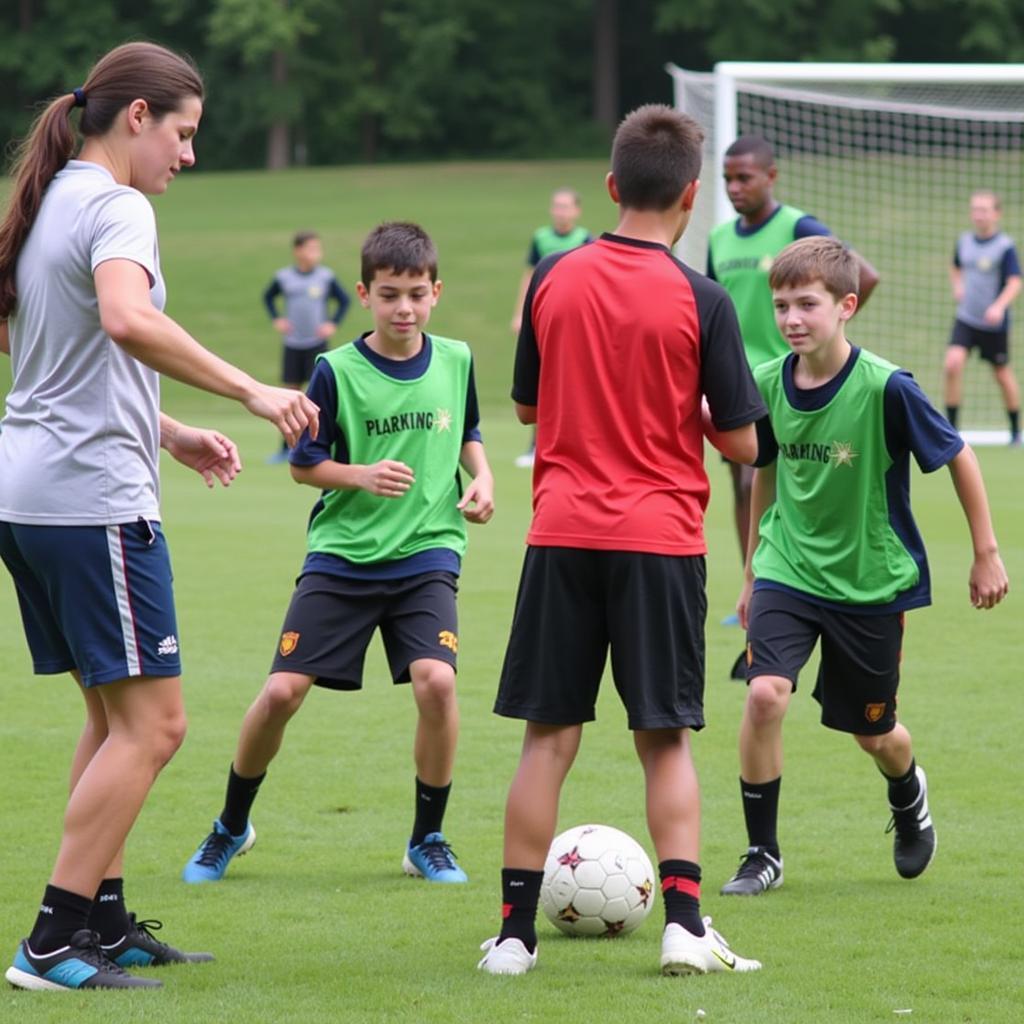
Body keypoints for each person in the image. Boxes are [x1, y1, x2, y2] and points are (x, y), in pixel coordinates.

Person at [0, 42, 319, 992]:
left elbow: (70, 359)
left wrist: (169, 427)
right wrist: (250, 391)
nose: (187, 155)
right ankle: (53, 942)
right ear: (136, 117)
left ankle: (97, 919)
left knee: (111, 719)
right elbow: (128, 320)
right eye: (182, 133)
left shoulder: (53, 197)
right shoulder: (113, 203)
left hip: (33, 493)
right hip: (91, 501)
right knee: (157, 726)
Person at [478, 105, 765, 978]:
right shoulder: (702, 297)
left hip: (561, 532)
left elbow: (527, 407)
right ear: (692, 194)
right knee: (666, 738)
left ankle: (514, 940)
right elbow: (747, 442)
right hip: (663, 540)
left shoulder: (551, 279)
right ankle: (684, 924)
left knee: (546, 739)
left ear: (609, 187)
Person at [182, 221, 494, 887]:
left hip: (427, 552)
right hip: (343, 556)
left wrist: (485, 478)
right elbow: (305, 465)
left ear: (436, 292)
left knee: (437, 682)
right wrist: (361, 475)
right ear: (362, 294)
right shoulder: (336, 371)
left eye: (415, 293)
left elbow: (467, 431)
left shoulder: (458, 359)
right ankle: (231, 826)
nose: (403, 308)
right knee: (282, 692)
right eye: (389, 295)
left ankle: (427, 839)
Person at [720, 236, 1009, 898]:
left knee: (872, 733)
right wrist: (751, 572)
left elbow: (958, 455)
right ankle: (763, 853)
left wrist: (985, 551)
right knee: (765, 695)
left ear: (846, 306)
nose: (792, 318)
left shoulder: (887, 387)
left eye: (807, 305)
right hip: (786, 569)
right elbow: (766, 470)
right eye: (782, 305)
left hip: (870, 583)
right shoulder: (767, 382)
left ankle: (908, 794)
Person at [708, 135, 880, 653]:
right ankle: (756, 586)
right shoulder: (719, 238)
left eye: (745, 178)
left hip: (792, 381)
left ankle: (784, 591)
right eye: (728, 179)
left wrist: (823, 341)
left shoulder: (798, 228)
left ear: (771, 177)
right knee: (746, 487)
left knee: (780, 483)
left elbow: (863, 275)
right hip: (743, 386)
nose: (736, 187)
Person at [510, 188, 592, 469]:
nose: (561, 211)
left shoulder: (584, 240)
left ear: (576, 211)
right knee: (540, 379)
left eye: (566, 206)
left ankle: (577, 442)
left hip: (573, 319)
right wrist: (520, 313)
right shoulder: (541, 238)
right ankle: (536, 445)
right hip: (543, 316)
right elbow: (529, 276)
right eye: (557, 206)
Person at [263, 230, 350, 462]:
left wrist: (332, 323)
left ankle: (320, 445)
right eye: (310, 249)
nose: (315, 254)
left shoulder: (325, 277)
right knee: (291, 394)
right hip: (293, 344)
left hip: (317, 344)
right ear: (297, 251)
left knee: (318, 396)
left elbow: (344, 300)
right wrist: (277, 319)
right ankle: (286, 447)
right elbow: (268, 297)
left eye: (317, 249)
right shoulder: (284, 277)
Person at [944, 190, 1022, 445]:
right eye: (975, 209)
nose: (979, 215)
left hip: (993, 324)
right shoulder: (964, 240)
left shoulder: (1005, 247)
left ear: (996, 214)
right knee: (952, 364)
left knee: (1001, 373)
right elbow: (955, 266)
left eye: (984, 210)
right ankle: (950, 431)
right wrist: (958, 286)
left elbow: (1014, 282)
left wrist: (998, 306)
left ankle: (1014, 431)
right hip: (966, 318)